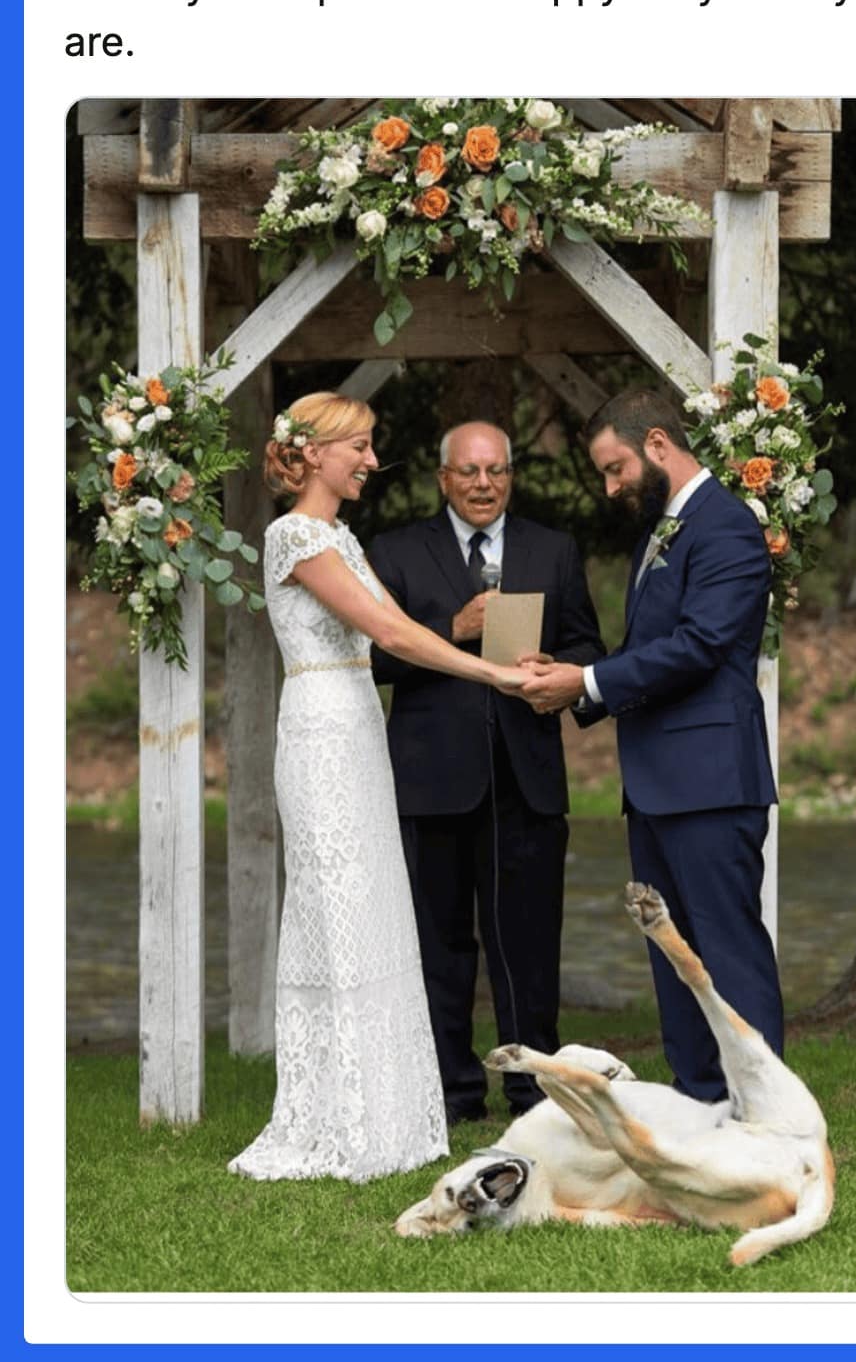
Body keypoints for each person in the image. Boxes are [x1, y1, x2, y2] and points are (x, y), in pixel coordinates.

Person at [227, 394, 526, 1182]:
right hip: (322, 727)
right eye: (358, 447)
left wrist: (487, 648)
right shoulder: (293, 535)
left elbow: (405, 625)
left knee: (377, 903)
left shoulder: (341, 537)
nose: (369, 460)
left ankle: (388, 1110)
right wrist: (495, 671)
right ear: (316, 453)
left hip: (361, 724)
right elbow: (392, 635)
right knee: (337, 903)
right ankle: (337, 1113)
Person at [521, 387, 782, 1104]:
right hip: (659, 782)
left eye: (615, 469)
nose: (610, 488)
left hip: (711, 780)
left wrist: (589, 679)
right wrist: (574, 681)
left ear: (659, 445)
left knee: (726, 949)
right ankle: (701, 1100)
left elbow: (699, 647)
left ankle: (763, 1115)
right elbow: (650, 650)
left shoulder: (724, 526)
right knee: (674, 954)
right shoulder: (663, 529)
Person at [367, 421, 604, 1123]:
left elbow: (587, 644)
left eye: (496, 471)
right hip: (431, 784)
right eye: (468, 472)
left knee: (528, 945)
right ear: (443, 478)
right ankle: (450, 1093)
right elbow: (373, 663)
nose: (482, 484)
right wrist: (452, 632)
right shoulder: (397, 552)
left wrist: (553, 668)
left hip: (526, 781)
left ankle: (536, 1092)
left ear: (511, 477)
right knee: (439, 948)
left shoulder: (552, 550)